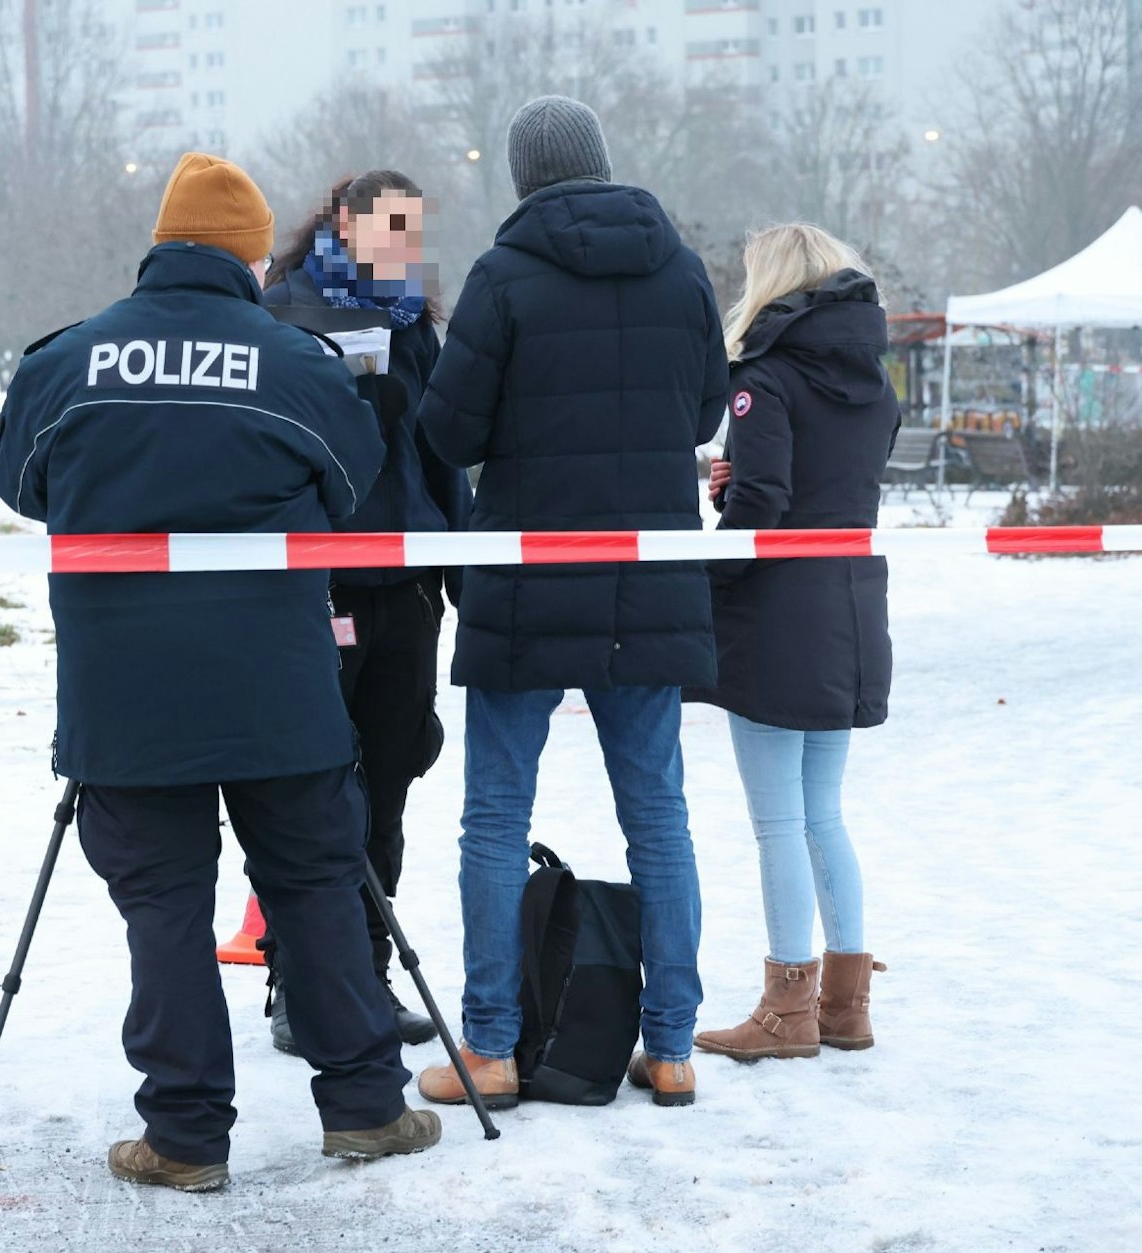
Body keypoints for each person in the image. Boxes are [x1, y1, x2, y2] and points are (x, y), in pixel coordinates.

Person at [0, 152, 441, 1191]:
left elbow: (21, 484)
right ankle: (367, 1106)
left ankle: (186, 1135)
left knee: (163, 904)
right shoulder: (292, 362)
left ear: (158, 244)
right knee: (316, 885)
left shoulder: (67, 361)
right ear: (248, 257)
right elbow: (347, 484)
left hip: (124, 694)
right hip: (277, 689)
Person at [414, 96, 728, 1109]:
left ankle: (493, 1048)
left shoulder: (501, 278)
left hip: (524, 580)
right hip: (649, 581)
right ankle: (671, 1044)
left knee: (495, 817)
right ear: (602, 162)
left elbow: (451, 435)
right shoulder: (680, 270)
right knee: (658, 814)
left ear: (521, 178)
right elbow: (706, 412)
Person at [257, 170, 472, 1054]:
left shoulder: (415, 318)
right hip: (319, 584)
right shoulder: (282, 310)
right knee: (310, 789)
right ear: (341, 222)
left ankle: (368, 972)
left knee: (389, 779)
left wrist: (461, 565)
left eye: (412, 229)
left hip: (409, 586)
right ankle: (292, 979)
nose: (403, 245)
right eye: (389, 225)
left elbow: (440, 451)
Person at [688, 224, 897, 1062]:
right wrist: (749, 482)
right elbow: (834, 483)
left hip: (777, 619)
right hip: (851, 611)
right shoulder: (874, 381)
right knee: (823, 814)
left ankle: (785, 1009)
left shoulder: (764, 378)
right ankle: (846, 1004)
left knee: (777, 819)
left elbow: (766, 506)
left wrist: (716, 571)